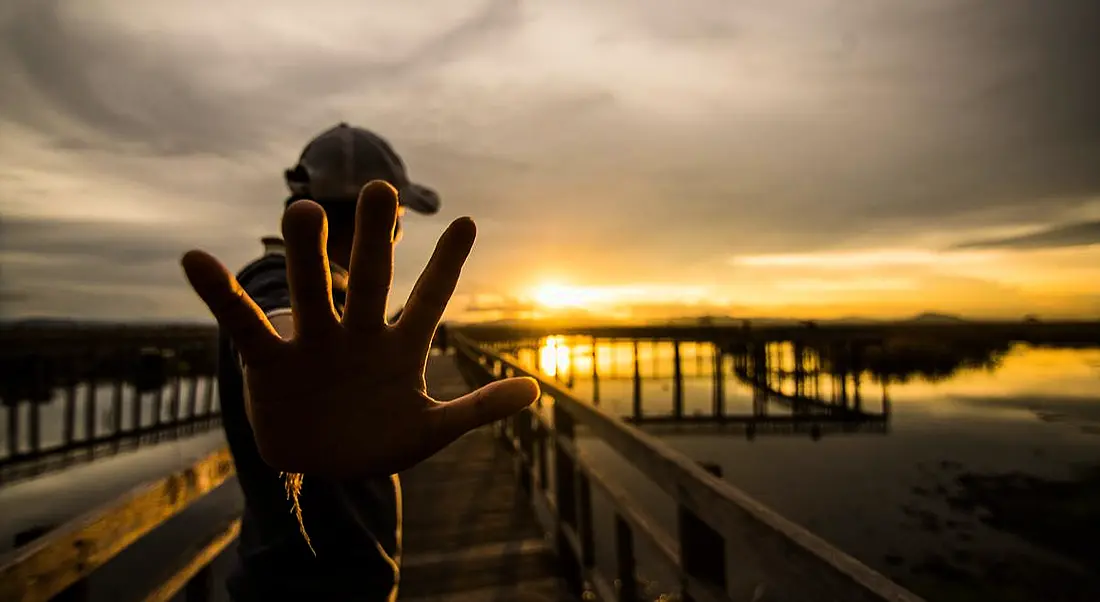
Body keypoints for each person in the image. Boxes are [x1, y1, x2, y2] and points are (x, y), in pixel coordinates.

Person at [185, 124, 539, 601]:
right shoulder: (275, 278)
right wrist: (307, 393)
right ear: (389, 224)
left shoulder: (341, 303)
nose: (399, 231)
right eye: (401, 218)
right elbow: (282, 322)